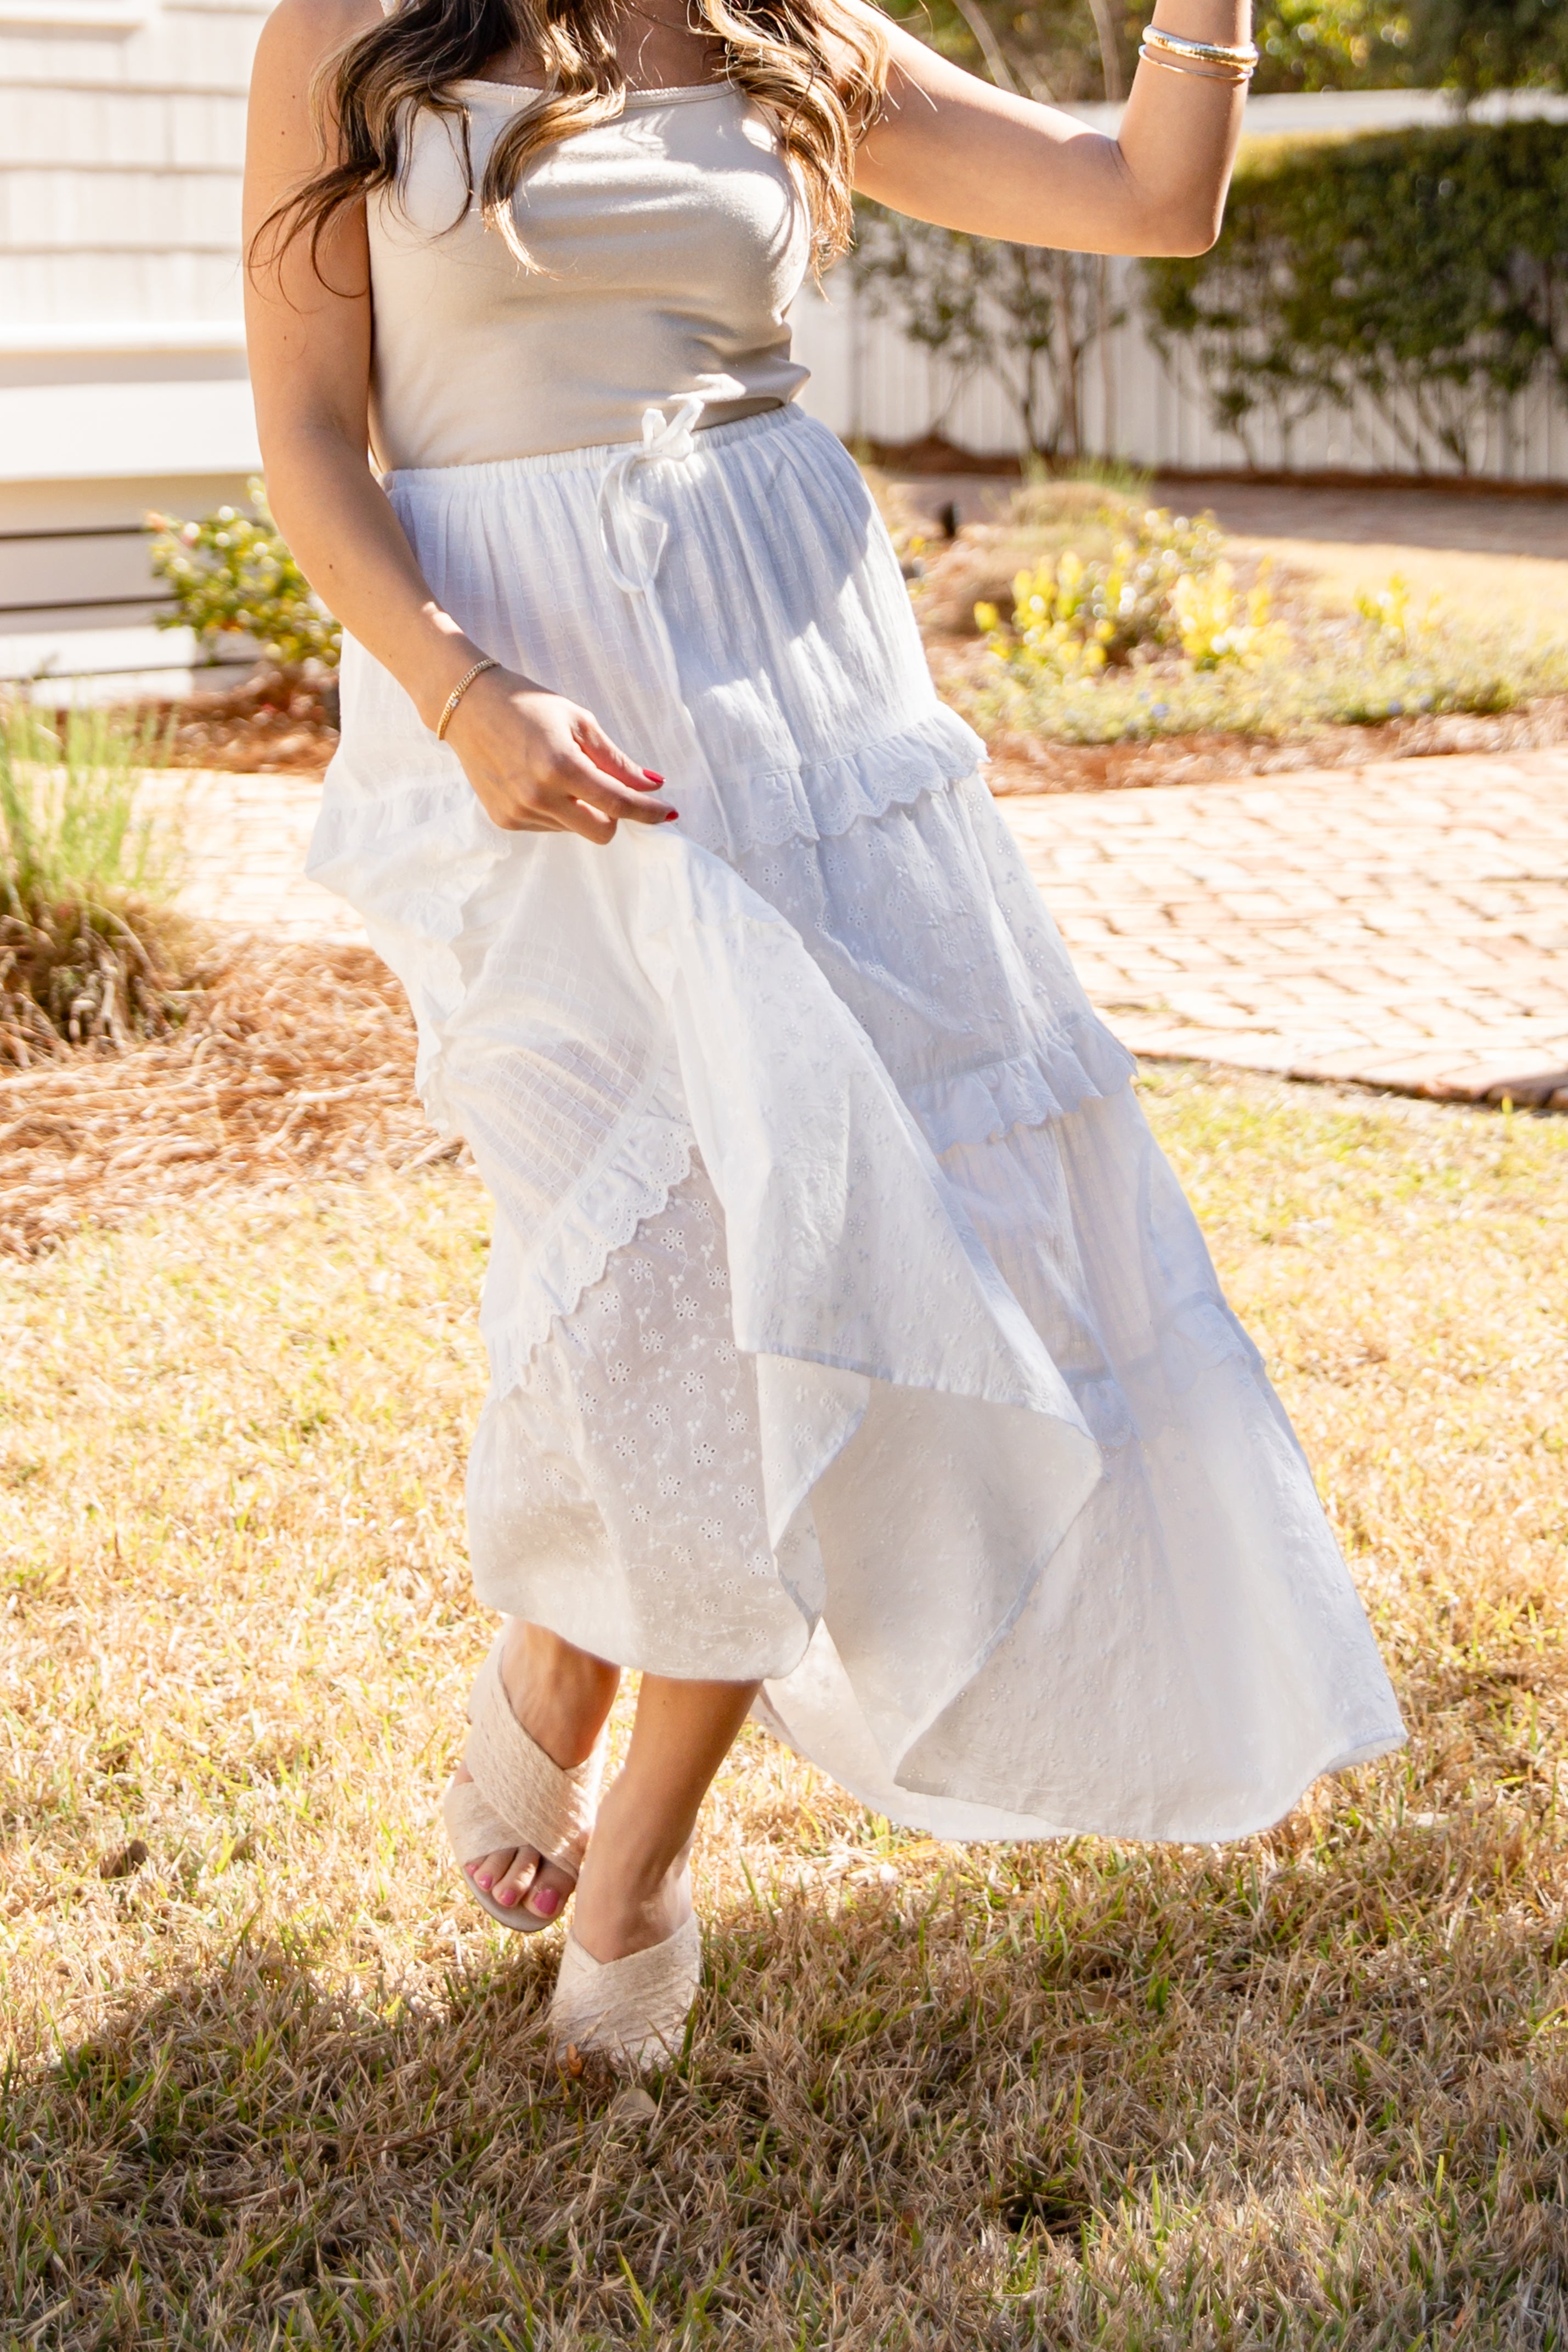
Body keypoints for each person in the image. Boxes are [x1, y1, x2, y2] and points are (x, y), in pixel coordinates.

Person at [243, 0, 1404, 2068]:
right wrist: (460, 692)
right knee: (643, 1266)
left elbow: (1148, 200)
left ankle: (636, 1861)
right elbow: (311, 437)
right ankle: (558, 1657)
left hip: (791, 700)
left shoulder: (793, 35)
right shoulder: (348, 37)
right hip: (524, 707)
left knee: (814, 1259)